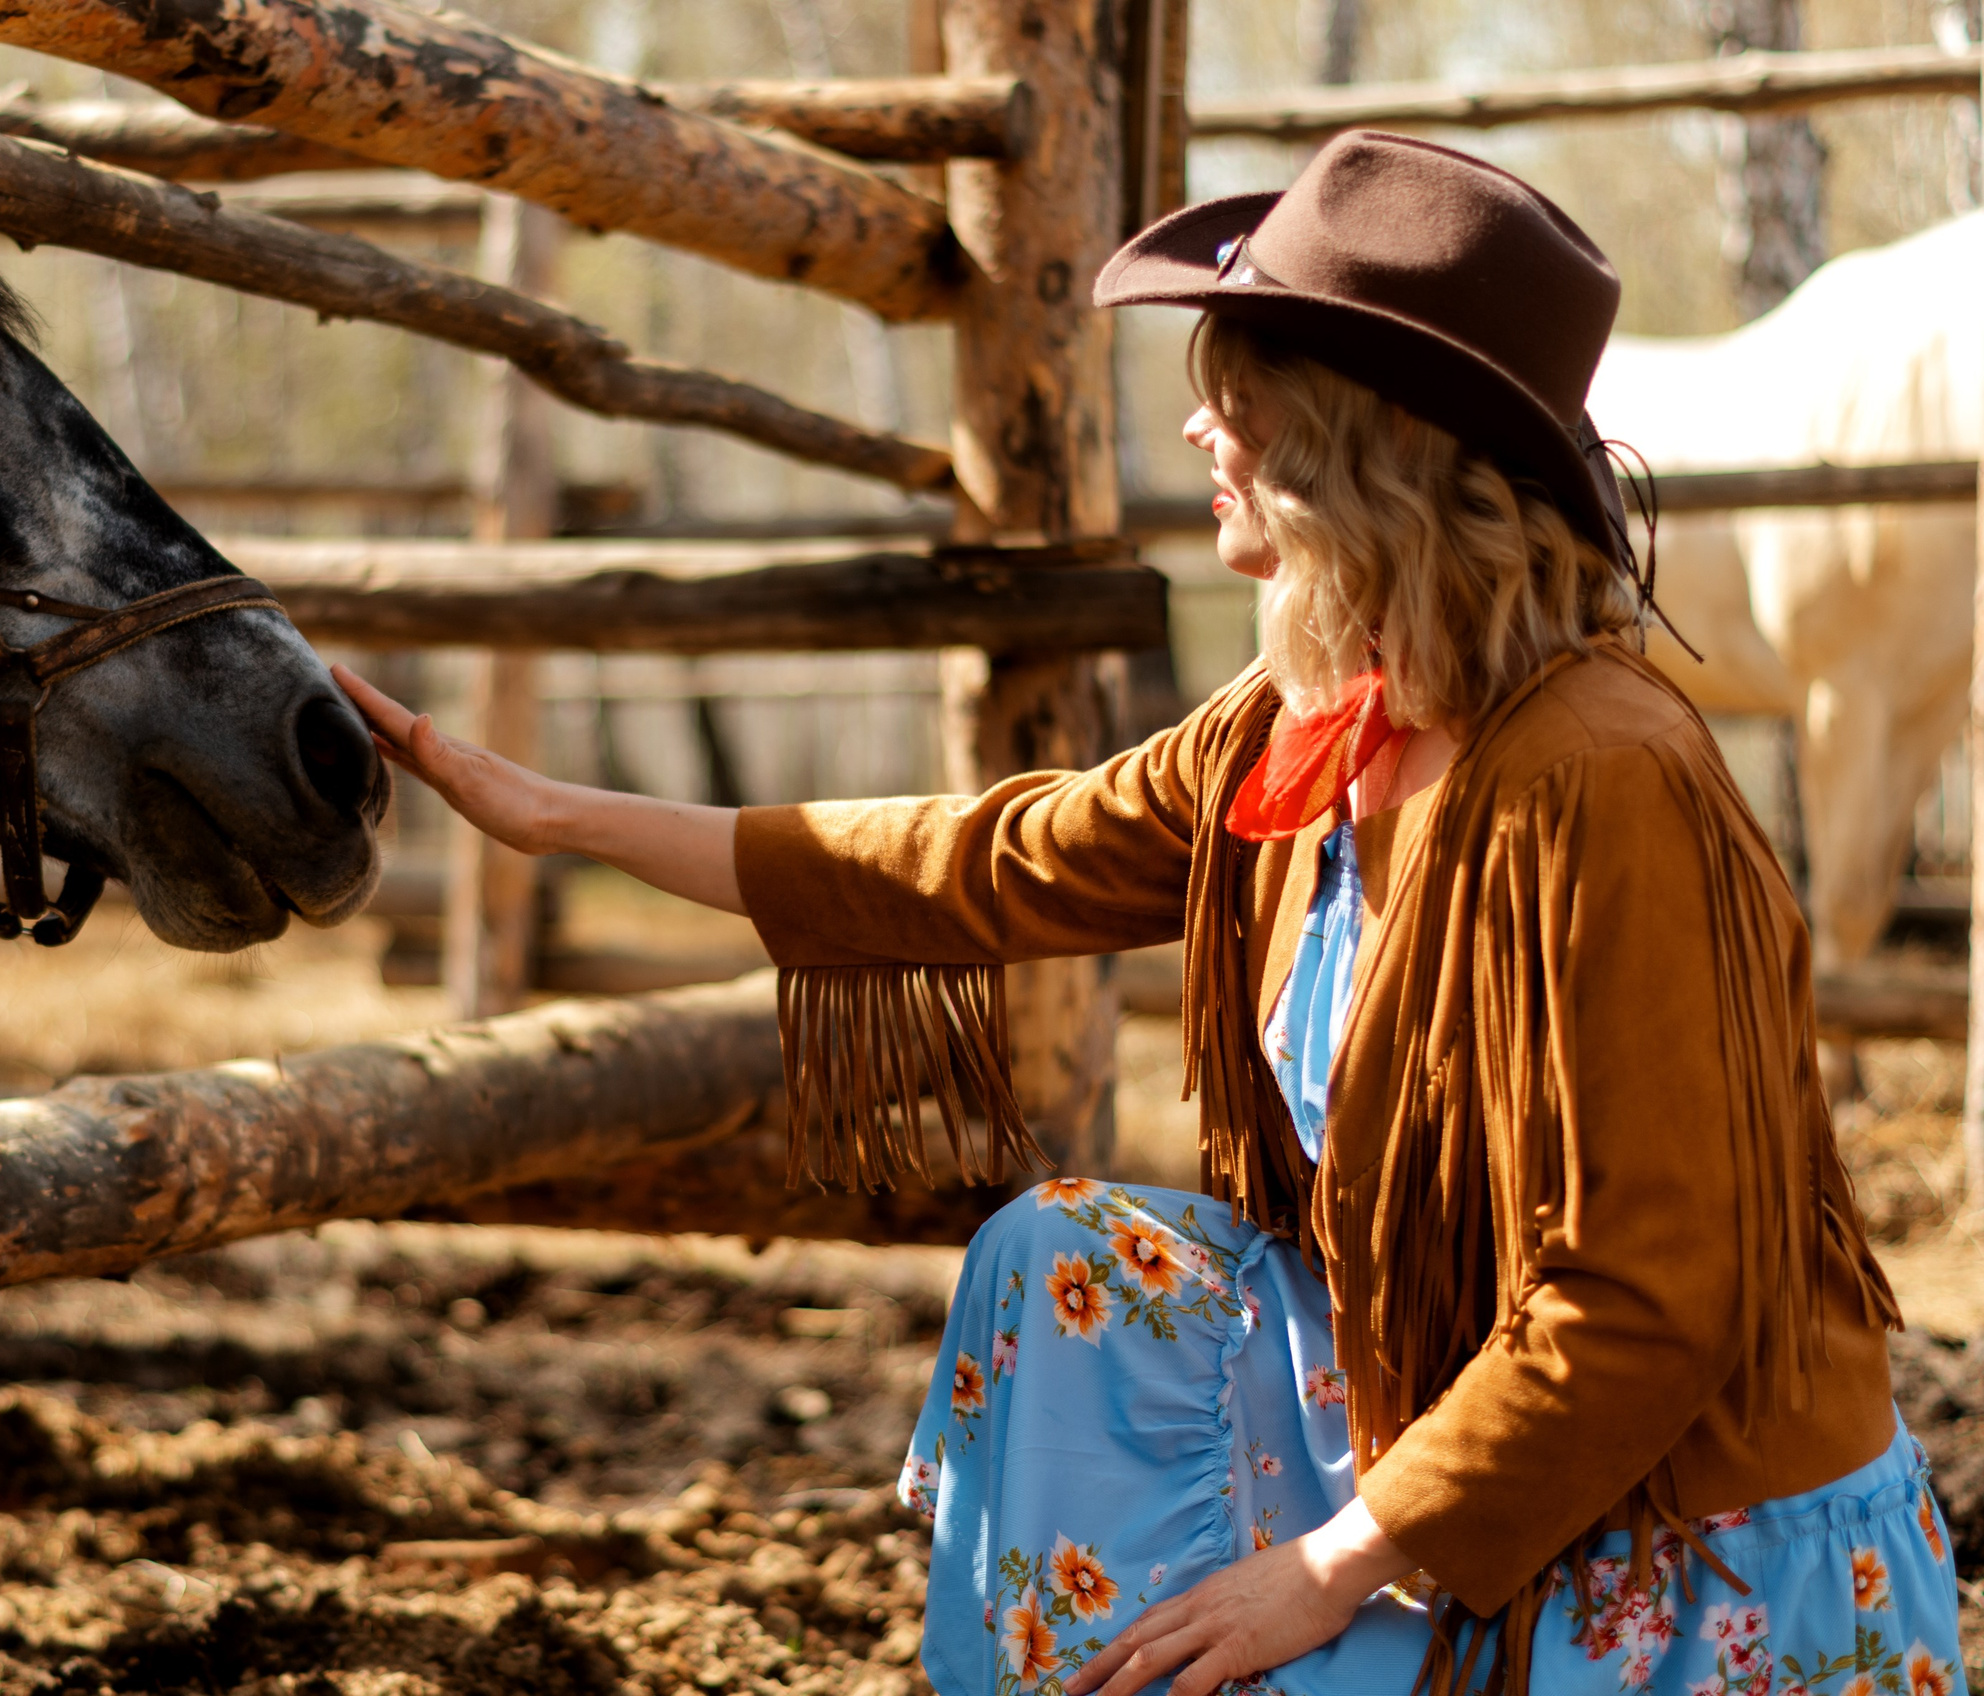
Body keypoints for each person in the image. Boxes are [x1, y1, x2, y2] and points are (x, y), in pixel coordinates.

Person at [336, 131, 1967, 1696]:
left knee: (1246, 1529)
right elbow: (993, 857)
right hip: (1435, 1370)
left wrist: (1321, 1570)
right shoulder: (1318, 720)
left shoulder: (1601, 782)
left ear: (1352, 449)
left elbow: (1647, 1301)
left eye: (1239, 402)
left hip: (1684, 1520)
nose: (1200, 435)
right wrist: (560, 818)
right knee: (1064, 1267)